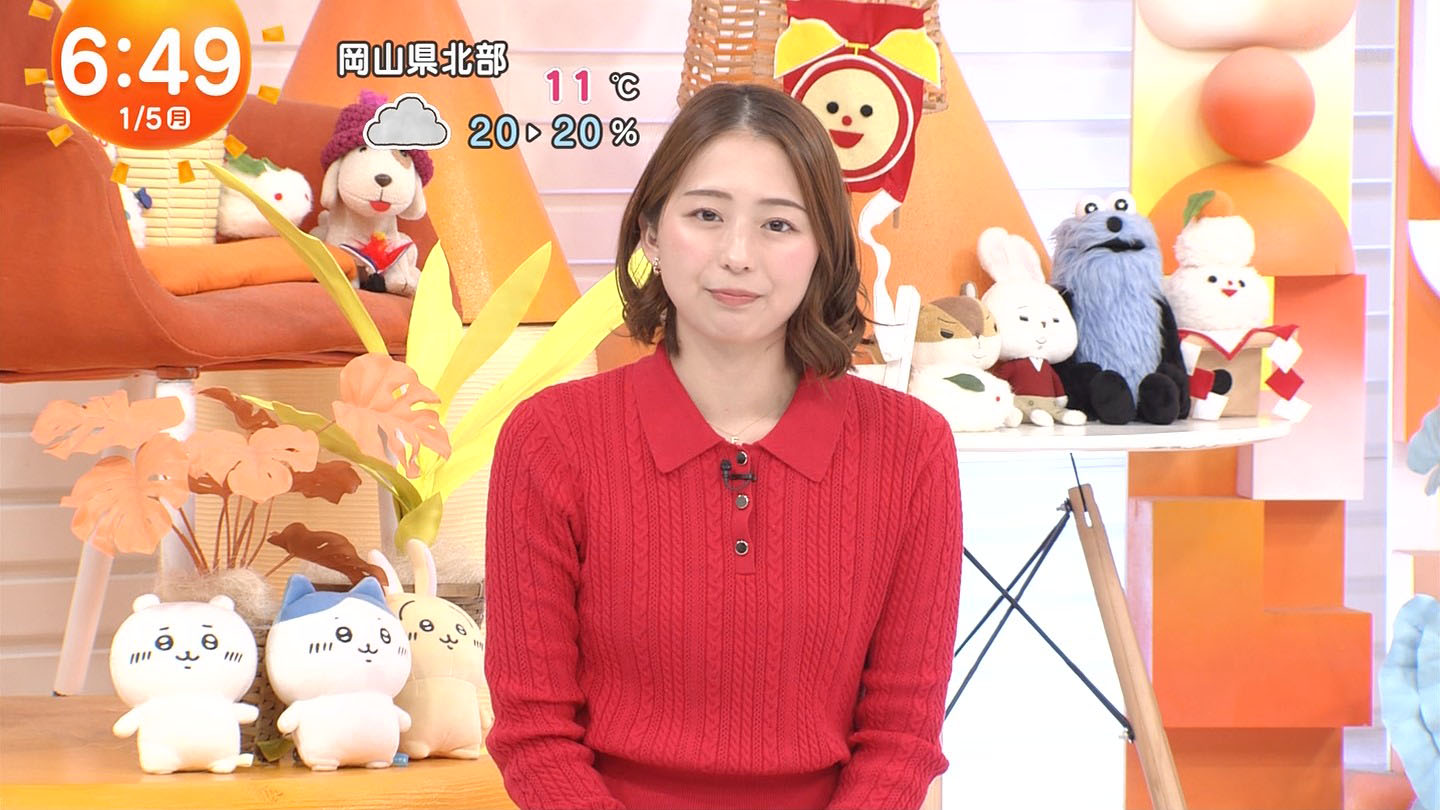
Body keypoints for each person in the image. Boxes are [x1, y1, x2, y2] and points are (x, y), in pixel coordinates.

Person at [484, 81, 962, 810]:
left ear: (823, 250)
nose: (737, 256)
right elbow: (534, 734)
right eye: (706, 215)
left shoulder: (912, 448)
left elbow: (901, 737)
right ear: (651, 233)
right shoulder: (550, 439)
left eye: (779, 224)